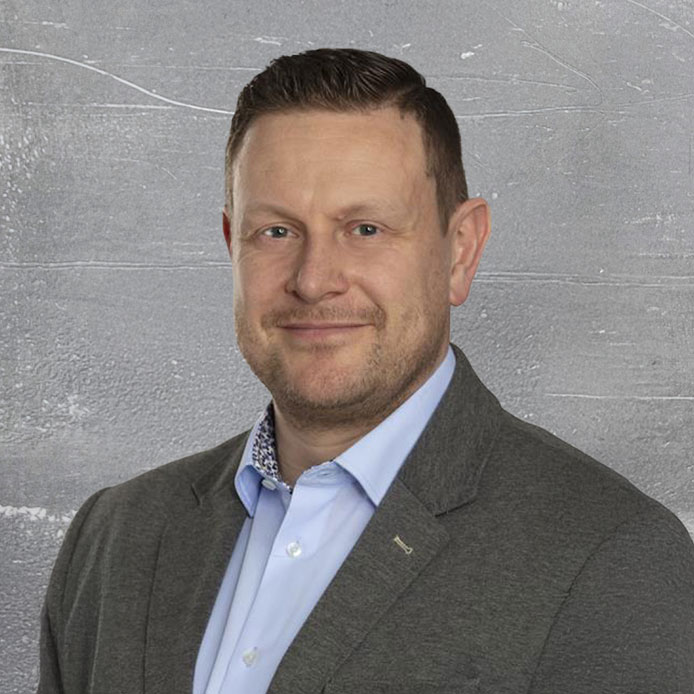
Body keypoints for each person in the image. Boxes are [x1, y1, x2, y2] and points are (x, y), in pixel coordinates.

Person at [38, 48, 694, 694]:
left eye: (366, 229)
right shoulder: (115, 538)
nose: (314, 279)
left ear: (460, 251)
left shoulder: (609, 560)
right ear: (232, 244)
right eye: (276, 232)